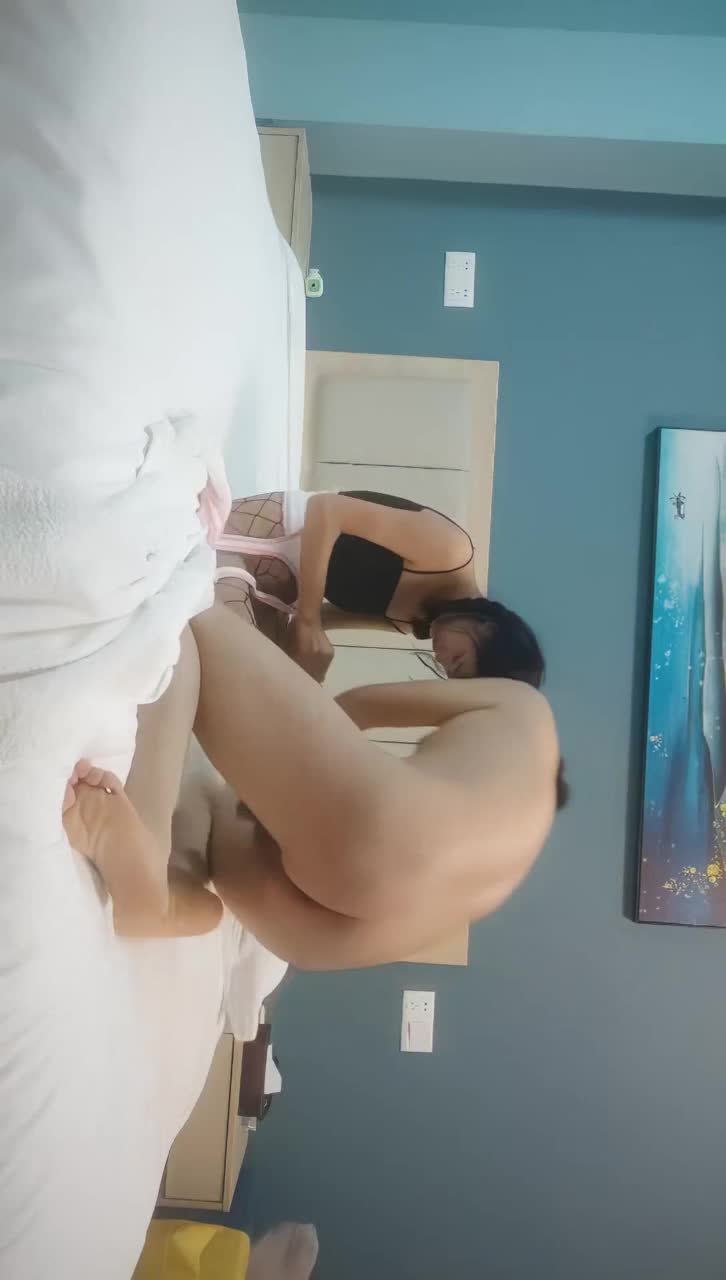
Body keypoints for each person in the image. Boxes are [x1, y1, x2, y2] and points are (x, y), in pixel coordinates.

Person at [62, 601, 566, 970]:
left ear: (490, 634)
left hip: (392, 835)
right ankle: (180, 897)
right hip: (331, 938)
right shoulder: (513, 841)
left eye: (451, 663)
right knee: (212, 798)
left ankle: (147, 849)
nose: (443, 663)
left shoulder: (524, 703)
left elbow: (362, 704)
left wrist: (302, 683)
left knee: (187, 617)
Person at [215, 490, 544, 685]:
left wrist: (307, 673)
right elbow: (326, 509)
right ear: (488, 629)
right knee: (231, 658)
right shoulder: (449, 552)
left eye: (447, 669)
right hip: (266, 529)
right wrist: (309, 621)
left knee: (256, 681)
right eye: (457, 659)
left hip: (271, 590)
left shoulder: (413, 624)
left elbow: (314, 624)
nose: (441, 657)